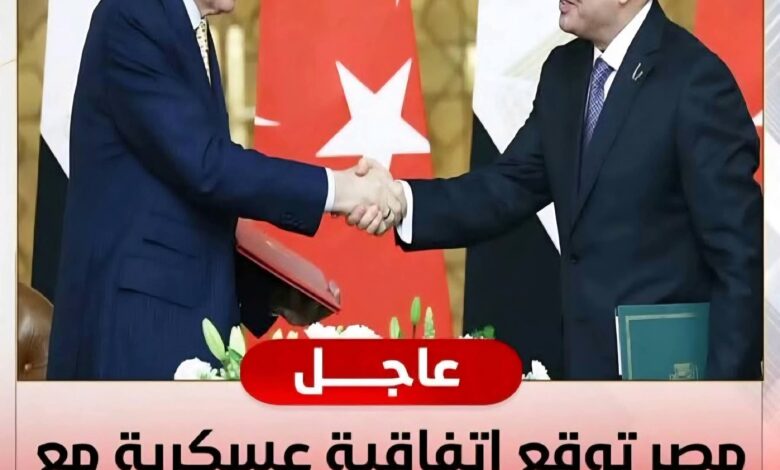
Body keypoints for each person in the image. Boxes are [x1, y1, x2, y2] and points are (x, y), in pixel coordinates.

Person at [352, 0, 764, 380]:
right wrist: (400, 201)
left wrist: (720, 400)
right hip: (582, 379)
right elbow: (507, 186)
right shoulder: (564, 70)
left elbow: (738, 259)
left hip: (668, 386)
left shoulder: (695, 80)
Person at [47, 0, 403, 380]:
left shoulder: (190, 29)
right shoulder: (132, 14)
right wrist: (339, 190)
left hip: (185, 322)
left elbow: (184, 202)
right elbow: (205, 165)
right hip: (139, 330)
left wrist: (271, 291)